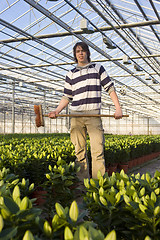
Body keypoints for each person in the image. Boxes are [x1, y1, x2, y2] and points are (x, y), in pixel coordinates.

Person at [48, 41, 122, 182]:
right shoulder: (71, 74)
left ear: (88, 52)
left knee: (98, 151)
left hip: (93, 114)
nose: (80, 53)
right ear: (75, 55)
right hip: (76, 116)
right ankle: (82, 185)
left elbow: (110, 88)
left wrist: (118, 108)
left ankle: (98, 185)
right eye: (77, 51)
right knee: (79, 152)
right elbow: (67, 96)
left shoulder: (97, 68)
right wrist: (57, 111)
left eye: (83, 50)